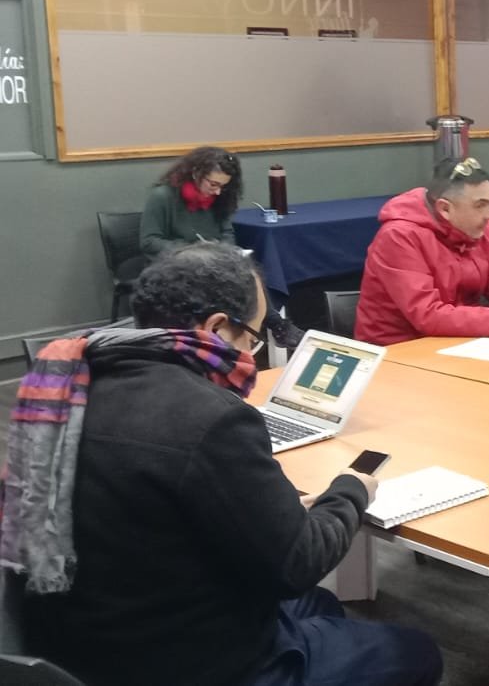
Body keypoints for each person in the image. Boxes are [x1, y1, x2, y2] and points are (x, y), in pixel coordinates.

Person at [5, 243, 442, 686]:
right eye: (252, 337)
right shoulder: (212, 418)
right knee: (415, 652)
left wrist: (281, 512)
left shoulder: (69, 383)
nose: (251, 352)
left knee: (322, 605)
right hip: (182, 663)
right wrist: (350, 490)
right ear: (216, 328)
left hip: (76, 639)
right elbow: (300, 563)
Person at [356, 156, 489, 345]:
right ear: (445, 209)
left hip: (456, 341)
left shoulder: (483, 229)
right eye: (480, 205)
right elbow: (428, 315)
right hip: (399, 351)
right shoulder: (398, 237)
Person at [139, 145, 303, 348]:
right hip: (177, 265)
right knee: (224, 282)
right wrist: (195, 251)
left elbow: (227, 233)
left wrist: (224, 250)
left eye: (223, 186)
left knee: (247, 271)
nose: (217, 191)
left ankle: (273, 325)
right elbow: (149, 242)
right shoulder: (162, 196)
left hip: (212, 262)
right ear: (196, 173)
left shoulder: (219, 198)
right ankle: (269, 327)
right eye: (213, 184)